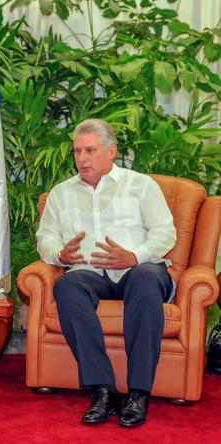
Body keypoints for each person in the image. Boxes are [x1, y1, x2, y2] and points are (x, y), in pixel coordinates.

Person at [36, 119, 176, 428]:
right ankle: (103, 390)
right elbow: (44, 238)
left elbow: (166, 233)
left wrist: (134, 256)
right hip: (90, 273)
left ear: (111, 152)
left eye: (90, 150)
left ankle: (139, 393)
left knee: (143, 278)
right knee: (68, 284)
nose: (82, 158)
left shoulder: (140, 185)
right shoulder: (61, 194)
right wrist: (60, 254)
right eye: (77, 151)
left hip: (138, 269)